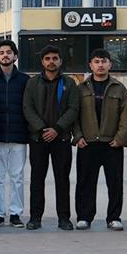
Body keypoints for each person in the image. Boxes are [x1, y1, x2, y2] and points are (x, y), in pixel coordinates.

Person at [23, 45, 79, 231]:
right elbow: (27, 108)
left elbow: (73, 109)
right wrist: (41, 129)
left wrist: (56, 129)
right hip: (38, 139)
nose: (51, 62)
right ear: (42, 61)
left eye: (55, 58)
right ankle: (35, 218)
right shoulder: (33, 83)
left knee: (62, 180)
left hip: (61, 138)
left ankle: (64, 218)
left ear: (60, 61)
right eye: (47, 58)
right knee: (37, 179)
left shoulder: (69, 83)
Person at [73, 50, 127, 231]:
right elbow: (74, 115)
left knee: (115, 183)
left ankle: (114, 217)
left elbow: (125, 115)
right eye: (96, 62)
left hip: (111, 144)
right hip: (87, 143)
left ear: (110, 64)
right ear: (90, 65)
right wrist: (78, 136)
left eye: (104, 61)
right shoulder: (81, 88)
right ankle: (84, 216)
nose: (100, 65)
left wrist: (120, 138)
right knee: (85, 183)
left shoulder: (119, 88)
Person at [0, 39, 29, 226]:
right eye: (2, 53)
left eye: (9, 52)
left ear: (15, 56)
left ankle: (16, 213)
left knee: (17, 178)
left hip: (19, 136)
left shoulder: (25, 80)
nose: (5, 56)